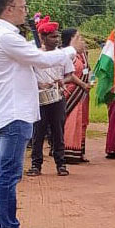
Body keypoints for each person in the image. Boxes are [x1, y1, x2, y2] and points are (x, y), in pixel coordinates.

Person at [0, 0, 83, 228]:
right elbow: (39, 59)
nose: (25, 11)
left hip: (8, 110)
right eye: (23, 7)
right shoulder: (5, 36)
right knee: (9, 175)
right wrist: (71, 51)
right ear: (9, 9)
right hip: (14, 112)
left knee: (1, 173)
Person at [27, 17, 74, 176]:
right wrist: (39, 84)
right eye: (53, 36)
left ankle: (61, 164)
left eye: (57, 36)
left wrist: (62, 81)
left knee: (58, 131)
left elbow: (70, 75)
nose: (57, 39)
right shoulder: (34, 55)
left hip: (58, 97)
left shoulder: (62, 55)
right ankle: (36, 165)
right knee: (38, 132)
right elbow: (27, 75)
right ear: (43, 37)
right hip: (39, 98)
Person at [61, 28, 93, 165]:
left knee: (81, 121)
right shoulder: (68, 54)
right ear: (71, 39)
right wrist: (82, 84)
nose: (82, 41)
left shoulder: (82, 55)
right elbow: (68, 74)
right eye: (78, 38)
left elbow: (86, 71)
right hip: (71, 92)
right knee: (71, 121)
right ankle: (68, 151)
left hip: (82, 94)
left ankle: (79, 151)